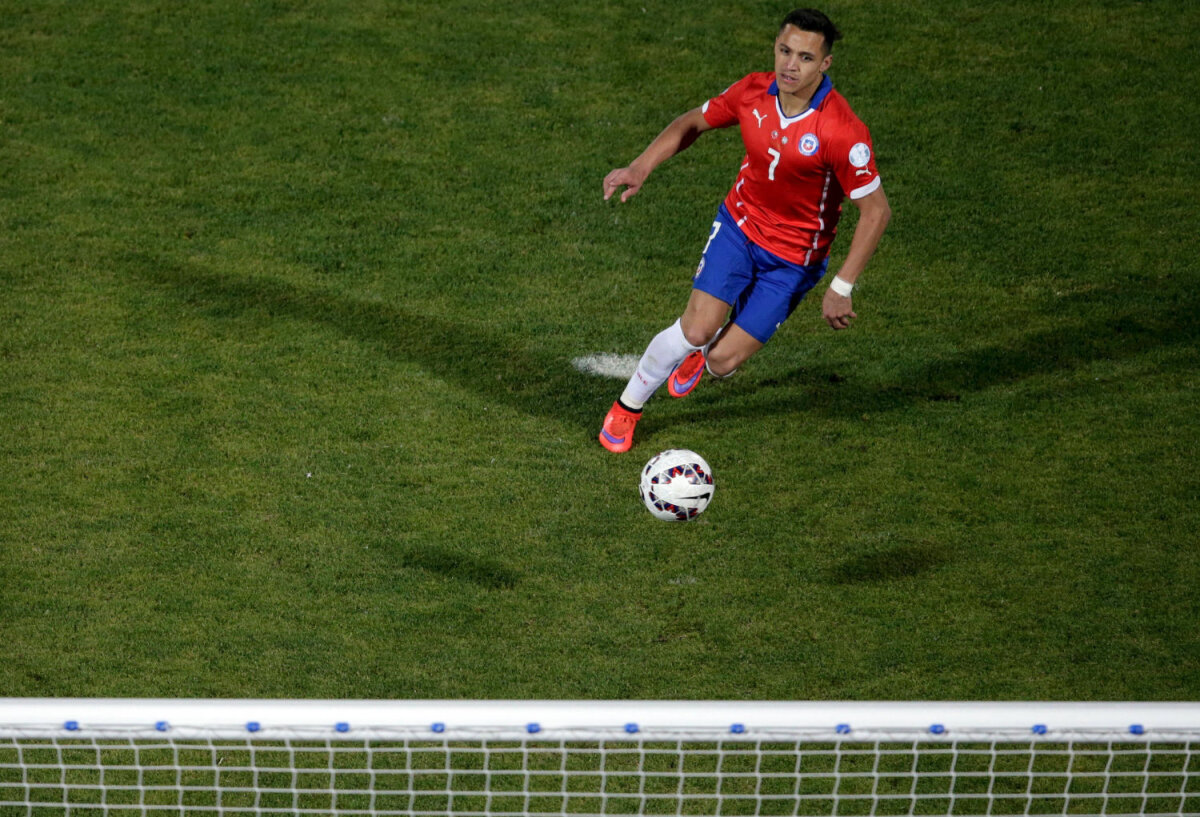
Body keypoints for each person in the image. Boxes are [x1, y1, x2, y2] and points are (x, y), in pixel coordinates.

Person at [599, 8, 891, 453]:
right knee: (694, 328)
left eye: (806, 58)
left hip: (794, 261)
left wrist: (842, 286)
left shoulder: (841, 131)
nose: (790, 65)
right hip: (739, 227)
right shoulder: (753, 91)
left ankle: (708, 350)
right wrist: (641, 166)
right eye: (784, 51)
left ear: (825, 64)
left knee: (721, 361)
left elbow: (876, 212)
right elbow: (690, 122)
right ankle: (627, 407)